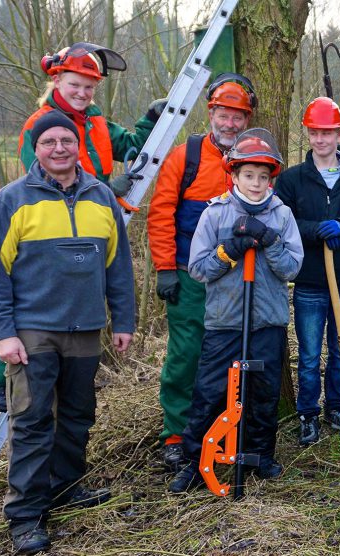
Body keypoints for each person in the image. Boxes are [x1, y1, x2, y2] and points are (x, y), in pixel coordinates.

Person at [0, 110, 135, 554]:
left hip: (86, 329)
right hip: (32, 332)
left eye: (67, 140)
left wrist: (122, 321)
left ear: (78, 146)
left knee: (77, 416)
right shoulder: (12, 199)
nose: (60, 148)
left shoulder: (101, 196)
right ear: (37, 149)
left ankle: (67, 488)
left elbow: (118, 266)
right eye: (50, 142)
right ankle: (26, 516)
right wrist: (2, 332)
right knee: (31, 422)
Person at [0, 42, 162, 412]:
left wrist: (151, 119)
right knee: (41, 303)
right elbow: (48, 175)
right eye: (74, 85)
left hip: (91, 225)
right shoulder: (40, 126)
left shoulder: (94, 119)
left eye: (89, 87)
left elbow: (128, 143)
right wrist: (107, 191)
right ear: (57, 82)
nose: (82, 93)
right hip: (49, 229)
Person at [168, 129, 303, 493]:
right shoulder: (215, 214)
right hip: (225, 321)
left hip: (267, 322)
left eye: (263, 176)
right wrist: (228, 251)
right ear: (234, 175)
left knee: (263, 391)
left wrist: (271, 242)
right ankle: (196, 463)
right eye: (248, 175)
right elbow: (198, 268)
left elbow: (292, 268)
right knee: (209, 391)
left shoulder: (282, 215)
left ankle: (261, 455)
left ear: (270, 178)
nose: (256, 183)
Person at [146, 73, 256, 470]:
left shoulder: (254, 161)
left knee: (232, 354)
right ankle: (176, 434)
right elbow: (160, 214)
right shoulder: (185, 156)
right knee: (187, 353)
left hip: (237, 278)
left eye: (238, 117)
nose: (230, 124)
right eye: (224, 115)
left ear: (246, 120)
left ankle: (223, 428)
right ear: (211, 113)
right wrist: (164, 269)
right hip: (190, 276)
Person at [275, 97, 340, 446]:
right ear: (308, 134)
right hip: (308, 281)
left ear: (339, 134)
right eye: (315, 132)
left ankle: (337, 408)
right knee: (308, 354)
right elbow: (282, 222)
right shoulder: (292, 180)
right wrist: (315, 230)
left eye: (328, 132)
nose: (321, 139)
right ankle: (308, 414)